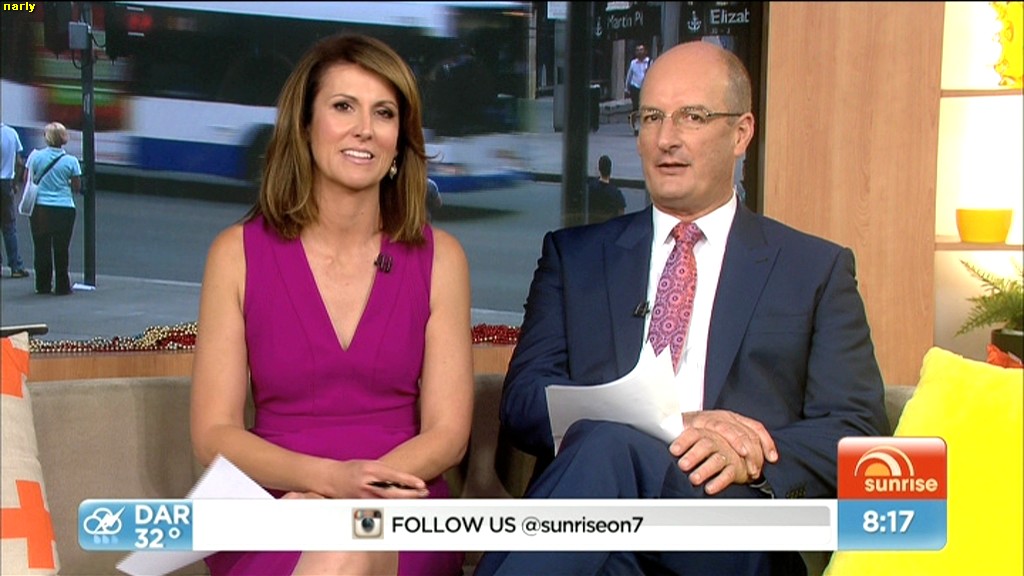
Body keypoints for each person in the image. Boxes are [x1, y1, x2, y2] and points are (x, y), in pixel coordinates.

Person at [475, 41, 889, 575]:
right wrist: (666, 423)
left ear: (741, 133)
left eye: (692, 116)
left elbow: (856, 431)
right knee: (608, 493)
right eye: (651, 117)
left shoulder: (813, 268)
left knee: (606, 444)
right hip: (599, 527)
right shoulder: (573, 258)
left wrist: (748, 455)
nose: (666, 138)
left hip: (729, 526)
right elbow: (523, 404)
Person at [190, 34, 474, 576]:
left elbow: (447, 434)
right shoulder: (235, 255)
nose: (364, 128)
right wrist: (325, 480)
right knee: (336, 547)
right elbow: (213, 435)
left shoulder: (442, 260)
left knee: (345, 544)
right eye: (344, 106)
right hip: (280, 501)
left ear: (399, 140)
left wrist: (358, 491)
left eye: (383, 113)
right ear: (305, 125)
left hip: (399, 500)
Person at [26, 122, 82, 295]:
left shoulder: (35, 157)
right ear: (64, 138)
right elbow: (76, 187)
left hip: (40, 208)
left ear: (46, 137)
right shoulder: (71, 161)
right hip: (64, 208)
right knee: (61, 248)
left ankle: (42, 285)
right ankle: (62, 285)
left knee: (41, 246)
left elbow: (27, 178)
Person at [1, 121, 29, 278]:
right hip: (5, 184)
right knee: (9, 226)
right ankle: (16, 266)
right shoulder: (11, 133)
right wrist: (15, 183)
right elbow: (19, 162)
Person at [586, 155, 626, 223]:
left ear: (599, 169)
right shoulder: (616, 193)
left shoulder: (590, 188)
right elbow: (621, 215)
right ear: (610, 170)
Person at [624, 43, 650, 135]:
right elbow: (629, 76)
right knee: (635, 107)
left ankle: (644, 126)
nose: (639, 52)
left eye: (641, 50)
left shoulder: (649, 62)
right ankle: (635, 127)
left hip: (645, 88)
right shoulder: (633, 63)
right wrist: (626, 88)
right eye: (638, 50)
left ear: (645, 51)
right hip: (635, 87)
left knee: (644, 107)